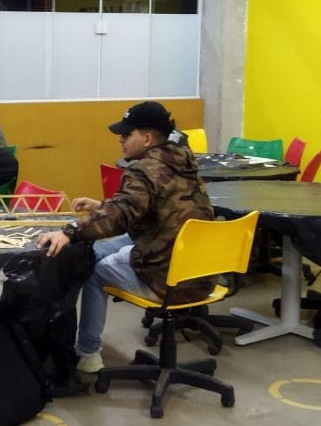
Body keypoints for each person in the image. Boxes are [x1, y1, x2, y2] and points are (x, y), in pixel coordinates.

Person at [36, 101, 214, 373]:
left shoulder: (144, 169)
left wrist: (69, 232)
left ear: (147, 138)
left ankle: (88, 354)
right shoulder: (184, 162)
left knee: (92, 270)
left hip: (169, 279)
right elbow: (146, 208)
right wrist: (102, 205)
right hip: (201, 271)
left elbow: (121, 217)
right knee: (100, 249)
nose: (120, 138)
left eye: (127, 133)